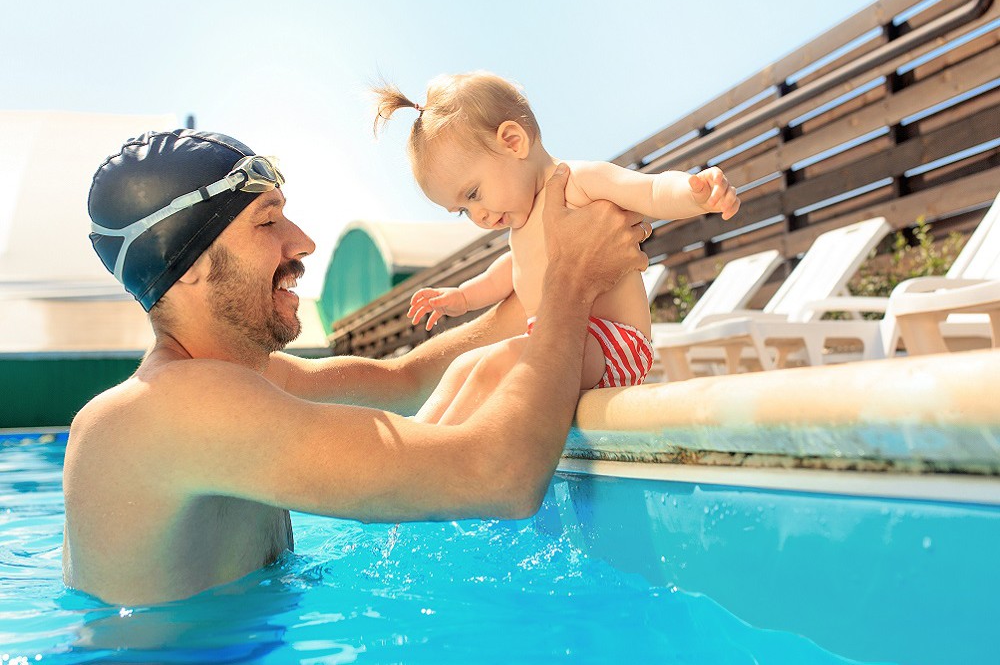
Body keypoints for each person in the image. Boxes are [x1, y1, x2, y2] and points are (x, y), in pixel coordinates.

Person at [63, 128, 649, 605]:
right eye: (268, 223)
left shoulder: (252, 378)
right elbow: (499, 477)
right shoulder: (164, 412)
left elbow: (408, 380)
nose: (304, 242)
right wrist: (572, 285)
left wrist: (551, 253)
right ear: (186, 264)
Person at [373, 71, 739, 424]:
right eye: (462, 211)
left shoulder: (576, 182)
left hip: (611, 345)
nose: (478, 216)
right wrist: (463, 297)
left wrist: (697, 193)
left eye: (473, 194)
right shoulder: (519, 225)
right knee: (463, 368)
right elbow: (507, 272)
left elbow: (650, 190)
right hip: (554, 343)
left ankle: (442, 459)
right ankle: (419, 441)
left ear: (513, 141)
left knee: (502, 361)